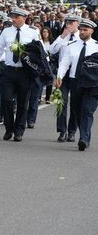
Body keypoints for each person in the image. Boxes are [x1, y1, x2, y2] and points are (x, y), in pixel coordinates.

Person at [0, 7, 40, 142]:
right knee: (6, 100)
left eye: (16, 17)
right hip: (8, 70)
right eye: (13, 17)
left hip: (25, 72)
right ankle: (9, 128)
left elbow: (38, 51)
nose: (13, 19)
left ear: (24, 18)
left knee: (22, 103)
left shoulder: (32, 32)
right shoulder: (6, 31)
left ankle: (19, 130)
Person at [56, 19, 98, 151]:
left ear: (91, 31)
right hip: (76, 82)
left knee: (87, 110)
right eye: (81, 29)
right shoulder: (72, 45)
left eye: (85, 30)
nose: (82, 32)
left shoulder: (96, 46)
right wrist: (59, 76)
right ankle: (85, 136)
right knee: (77, 110)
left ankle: (83, 139)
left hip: (93, 84)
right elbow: (64, 63)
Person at [48, 14, 80, 142]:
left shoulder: (81, 37)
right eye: (67, 23)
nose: (69, 25)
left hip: (76, 74)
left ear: (78, 23)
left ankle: (72, 131)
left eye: (72, 23)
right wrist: (62, 36)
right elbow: (52, 50)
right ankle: (62, 131)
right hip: (63, 74)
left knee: (75, 104)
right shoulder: (63, 37)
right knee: (61, 102)